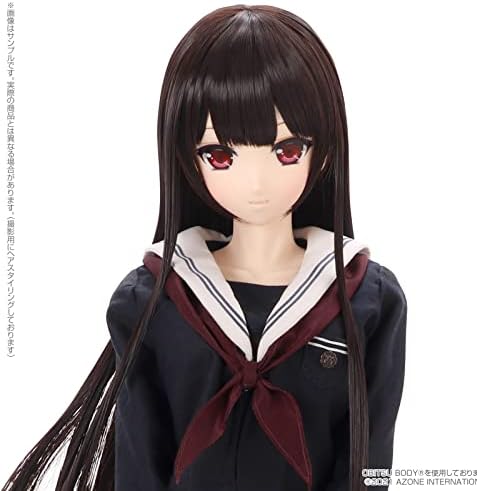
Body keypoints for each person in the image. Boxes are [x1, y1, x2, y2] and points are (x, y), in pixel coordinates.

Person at [1, 5, 407, 491]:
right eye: (220, 155)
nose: (256, 183)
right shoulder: (154, 300)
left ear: (324, 151)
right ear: (186, 158)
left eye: (287, 151)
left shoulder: (366, 301)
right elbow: (140, 459)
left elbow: (371, 461)